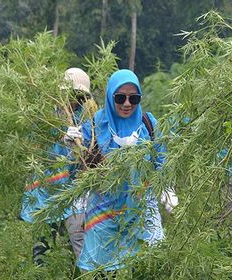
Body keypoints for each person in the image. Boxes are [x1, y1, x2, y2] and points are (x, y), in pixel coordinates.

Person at [77, 69, 165, 275]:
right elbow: (81, 166)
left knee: (148, 263)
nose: (127, 104)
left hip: (141, 208)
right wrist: (74, 146)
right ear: (110, 97)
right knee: (102, 268)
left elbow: (161, 159)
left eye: (134, 98)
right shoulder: (94, 125)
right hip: (103, 209)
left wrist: (166, 187)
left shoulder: (148, 125)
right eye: (120, 97)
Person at [20, 67, 94, 266]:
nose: (75, 101)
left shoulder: (82, 120)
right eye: (72, 95)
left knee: (73, 254)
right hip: (43, 195)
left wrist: (82, 147)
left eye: (80, 97)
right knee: (42, 253)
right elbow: (34, 150)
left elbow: (86, 159)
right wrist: (60, 140)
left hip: (70, 197)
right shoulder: (43, 116)